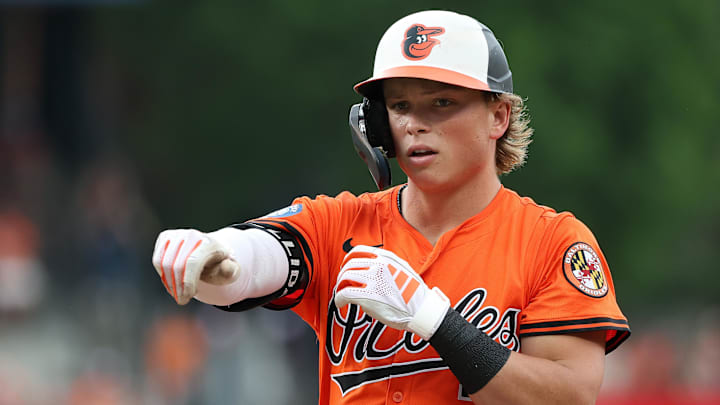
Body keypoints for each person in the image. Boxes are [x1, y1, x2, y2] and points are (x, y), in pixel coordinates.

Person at [151, 10, 630, 404]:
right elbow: (259, 258)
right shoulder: (341, 221)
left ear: (498, 116)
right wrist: (212, 253)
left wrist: (435, 319)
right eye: (399, 106)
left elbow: (568, 397)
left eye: (441, 102)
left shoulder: (552, 242)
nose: (415, 124)